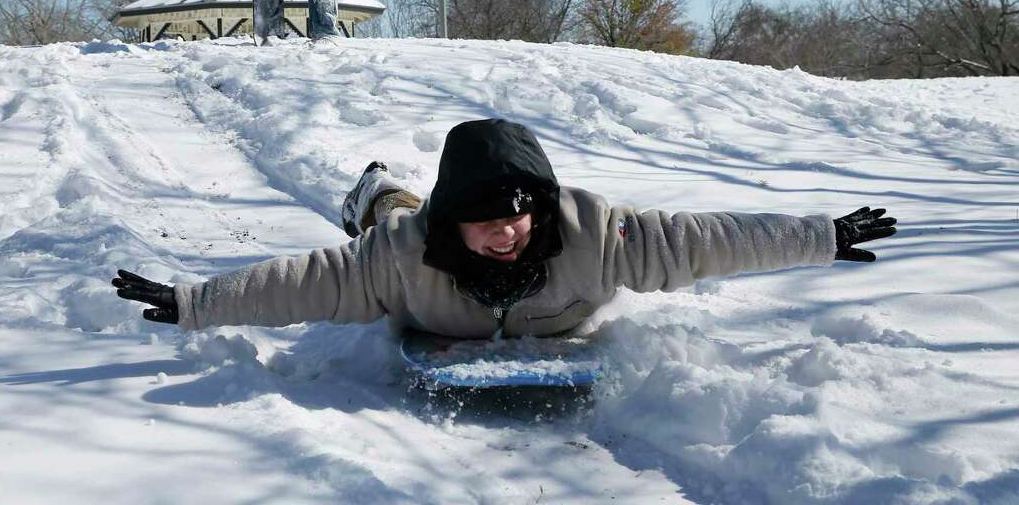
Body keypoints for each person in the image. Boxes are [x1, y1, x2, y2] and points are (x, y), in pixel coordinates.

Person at [113, 119, 898, 338]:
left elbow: (702, 240)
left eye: (520, 216)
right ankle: (379, 189)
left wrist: (819, 236)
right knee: (394, 216)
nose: (510, 234)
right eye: (488, 223)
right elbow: (305, 283)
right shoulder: (402, 257)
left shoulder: (594, 233)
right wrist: (196, 303)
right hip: (408, 225)